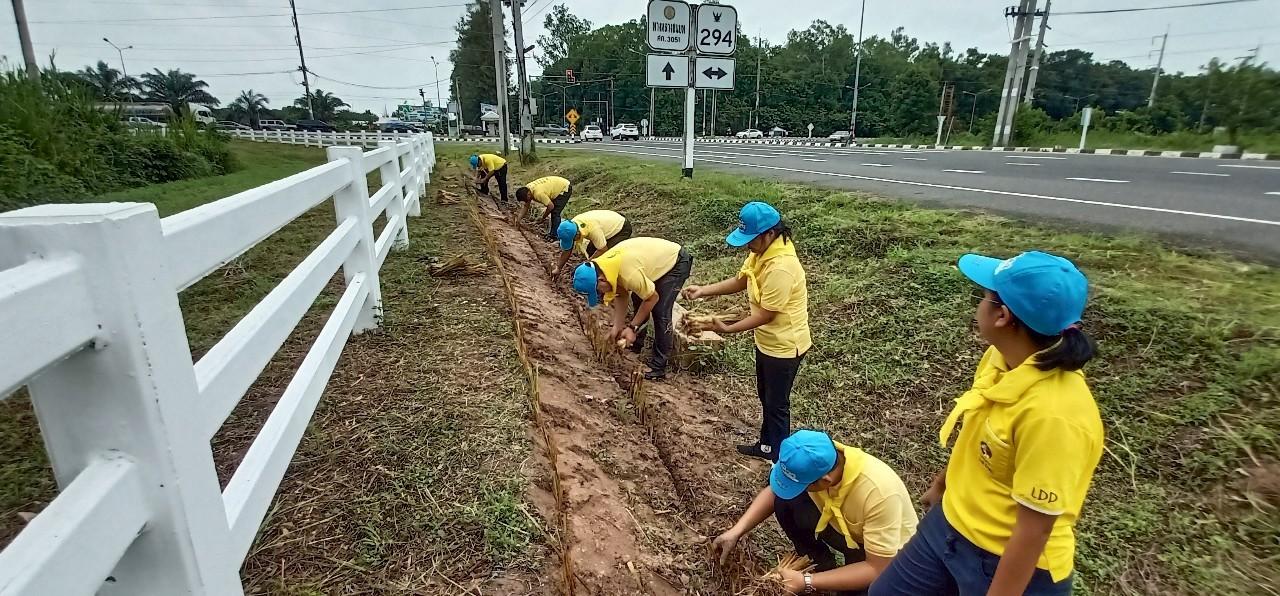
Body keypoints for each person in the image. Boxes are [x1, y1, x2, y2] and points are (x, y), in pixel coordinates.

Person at [869, 251, 1103, 596]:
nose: (978, 302)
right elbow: (980, 430)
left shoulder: (1056, 416)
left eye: (984, 295)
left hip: (1006, 561)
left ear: (1003, 316)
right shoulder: (1001, 359)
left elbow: (1033, 531)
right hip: (950, 526)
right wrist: (944, 483)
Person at [712, 430, 918, 596]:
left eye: (802, 484)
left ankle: (816, 580)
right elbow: (775, 492)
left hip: (881, 556)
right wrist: (736, 531)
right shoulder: (813, 454)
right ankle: (819, 563)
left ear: (825, 481)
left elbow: (877, 568)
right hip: (841, 526)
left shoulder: (879, 493)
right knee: (786, 501)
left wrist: (807, 582)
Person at [683, 201, 810, 462]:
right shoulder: (761, 252)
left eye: (751, 239)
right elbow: (742, 280)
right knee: (766, 396)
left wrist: (726, 328)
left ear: (769, 234)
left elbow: (766, 314)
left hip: (785, 345)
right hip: (766, 341)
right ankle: (765, 446)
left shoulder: (781, 267)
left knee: (777, 406)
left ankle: (780, 461)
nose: (746, 245)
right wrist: (704, 290)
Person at [571, 237, 693, 380]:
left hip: (675, 261)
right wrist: (617, 327)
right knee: (638, 297)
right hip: (649, 259)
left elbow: (652, 297)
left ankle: (659, 366)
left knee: (660, 310)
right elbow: (621, 295)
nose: (601, 294)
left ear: (601, 280)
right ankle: (637, 344)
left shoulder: (628, 274)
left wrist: (632, 327)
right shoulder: (605, 267)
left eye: (599, 290)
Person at [553, 209, 633, 276]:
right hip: (607, 222)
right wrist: (558, 268)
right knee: (591, 251)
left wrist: (586, 264)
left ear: (577, 234)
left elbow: (602, 249)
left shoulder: (593, 229)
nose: (573, 242)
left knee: (607, 257)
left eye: (573, 240)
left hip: (621, 228)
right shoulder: (571, 226)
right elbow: (567, 250)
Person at [514, 175, 572, 240]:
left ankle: (555, 236)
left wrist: (543, 218)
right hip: (556, 184)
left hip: (564, 188)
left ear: (528, 194)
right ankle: (552, 233)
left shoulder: (538, 194)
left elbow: (550, 206)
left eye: (526, 199)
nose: (526, 201)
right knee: (554, 211)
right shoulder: (527, 189)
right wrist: (518, 220)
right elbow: (526, 206)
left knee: (555, 212)